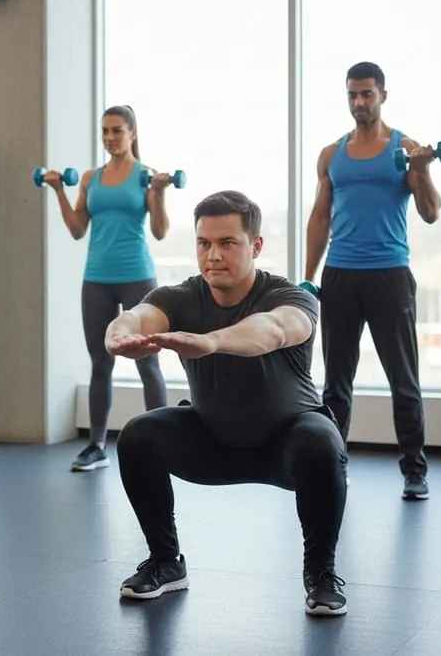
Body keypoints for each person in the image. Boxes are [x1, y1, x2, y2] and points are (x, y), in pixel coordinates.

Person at [108, 191, 349, 616]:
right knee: (137, 435)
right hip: (214, 440)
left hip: (287, 447)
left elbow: (273, 330)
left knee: (321, 440)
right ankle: (166, 562)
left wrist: (212, 341)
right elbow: (141, 315)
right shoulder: (182, 297)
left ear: (256, 245)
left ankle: (321, 574)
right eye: (204, 243)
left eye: (227, 243)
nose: (213, 255)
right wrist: (119, 332)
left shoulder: (291, 297)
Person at [304, 62, 441, 500]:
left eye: (367, 93)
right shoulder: (331, 154)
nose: (359, 102)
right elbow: (320, 217)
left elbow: (431, 212)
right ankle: (333, 466)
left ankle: (415, 472)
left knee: (404, 380)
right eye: (352, 94)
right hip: (340, 275)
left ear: (383, 95)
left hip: (390, 275)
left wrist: (422, 169)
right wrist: (308, 277)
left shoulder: (406, 148)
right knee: (336, 385)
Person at [42, 105, 172, 472]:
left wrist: (159, 193)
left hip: (137, 276)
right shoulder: (91, 178)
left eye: (117, 130)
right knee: (101, 362)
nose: (110, 137)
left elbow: (160, 231)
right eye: (105, 131)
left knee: (148, 361)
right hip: (97, 278)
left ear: (133, 133)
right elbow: (76, 229)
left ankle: (165, 445)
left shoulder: (145, 176)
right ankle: (97, 446)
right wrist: (58, 190)